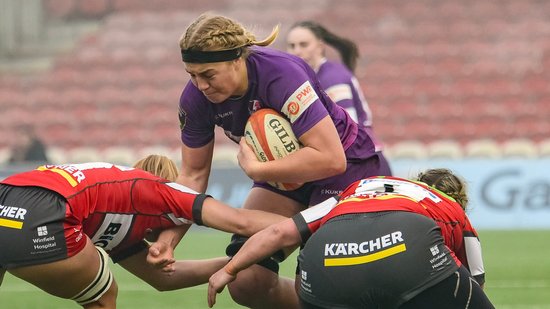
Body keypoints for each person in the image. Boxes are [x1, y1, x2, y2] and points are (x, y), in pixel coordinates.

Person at [177, 13, 392, 308]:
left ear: (237, 60)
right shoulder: (196, 98)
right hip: (283, 173)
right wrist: (169, 240)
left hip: (346, 166)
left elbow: (331, 159)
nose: (200, 85)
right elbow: (192, 175)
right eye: (192, 75)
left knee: (322, 279)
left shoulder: (280, 73)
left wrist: (258, 169)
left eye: (208, 75)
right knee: (246, 280)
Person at [0, 155, 286, 308]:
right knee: (104, 297)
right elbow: (240, 220)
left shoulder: (118, 206)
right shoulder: (159, 191)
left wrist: (237, 263)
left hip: (8, 196)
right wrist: (313, 224)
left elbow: (161, 278)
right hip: (48, 214)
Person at [208, 168, 495, 309]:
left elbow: (278, 233)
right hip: (407, 248)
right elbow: (474, 284)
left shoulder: (355, 190)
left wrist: (229, 270)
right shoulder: (447, 205)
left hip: (325, 264)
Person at [286, 21, 388, 155]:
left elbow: (347, 130)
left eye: (304, 44)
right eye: (292, 46)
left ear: (320, 46)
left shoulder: (333, 78)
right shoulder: (311, 78)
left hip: (363, 158)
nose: (297, 51)